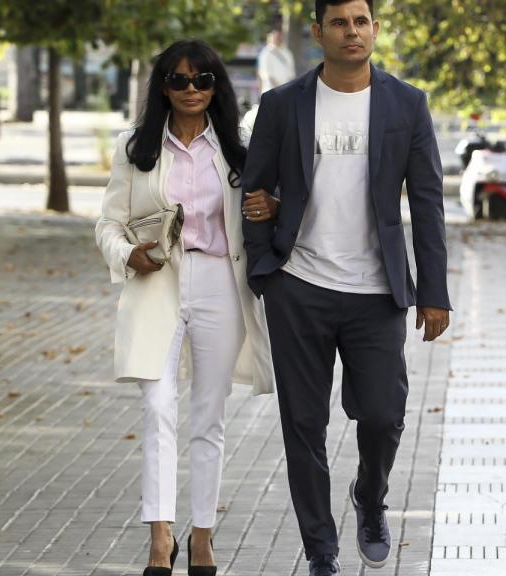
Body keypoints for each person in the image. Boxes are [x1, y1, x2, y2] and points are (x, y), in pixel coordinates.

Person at [241, 0, 451, 574]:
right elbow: (252, 191)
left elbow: (429, 203)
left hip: (376, 292)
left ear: (374, 30)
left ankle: (370, 496)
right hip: (299, 286)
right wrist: (266, 272)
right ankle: (321, 550)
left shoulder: (406, 105)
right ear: (318, 33)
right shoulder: (282, 105)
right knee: (304, 426)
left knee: (383, 415)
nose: (351, 32)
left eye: (360, 22)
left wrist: (434, 290)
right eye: (339, 22)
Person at [95, 39, 278, 576]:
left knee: (208, 416)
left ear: (216, 86)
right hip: (159, 280)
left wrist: (271, 205)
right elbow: (107, 221)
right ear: (163, 87)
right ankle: (159, 537)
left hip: (221, 278)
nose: (192, 90)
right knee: (156, 408)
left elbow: (268, 207)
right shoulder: (137, 147)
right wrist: (128, 253)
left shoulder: (238, 148)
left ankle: (201, 537)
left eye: (203, 80)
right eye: (179, 80)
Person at [257, 28, 297, 93]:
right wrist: (278, 88)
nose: (278, 39)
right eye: (276, 37)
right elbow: (266, 74)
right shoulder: (266, 53)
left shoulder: (287, 52)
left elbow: (291, 73)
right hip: (271, 90)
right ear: (270, 38)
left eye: (279, 37)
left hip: (286, 90)